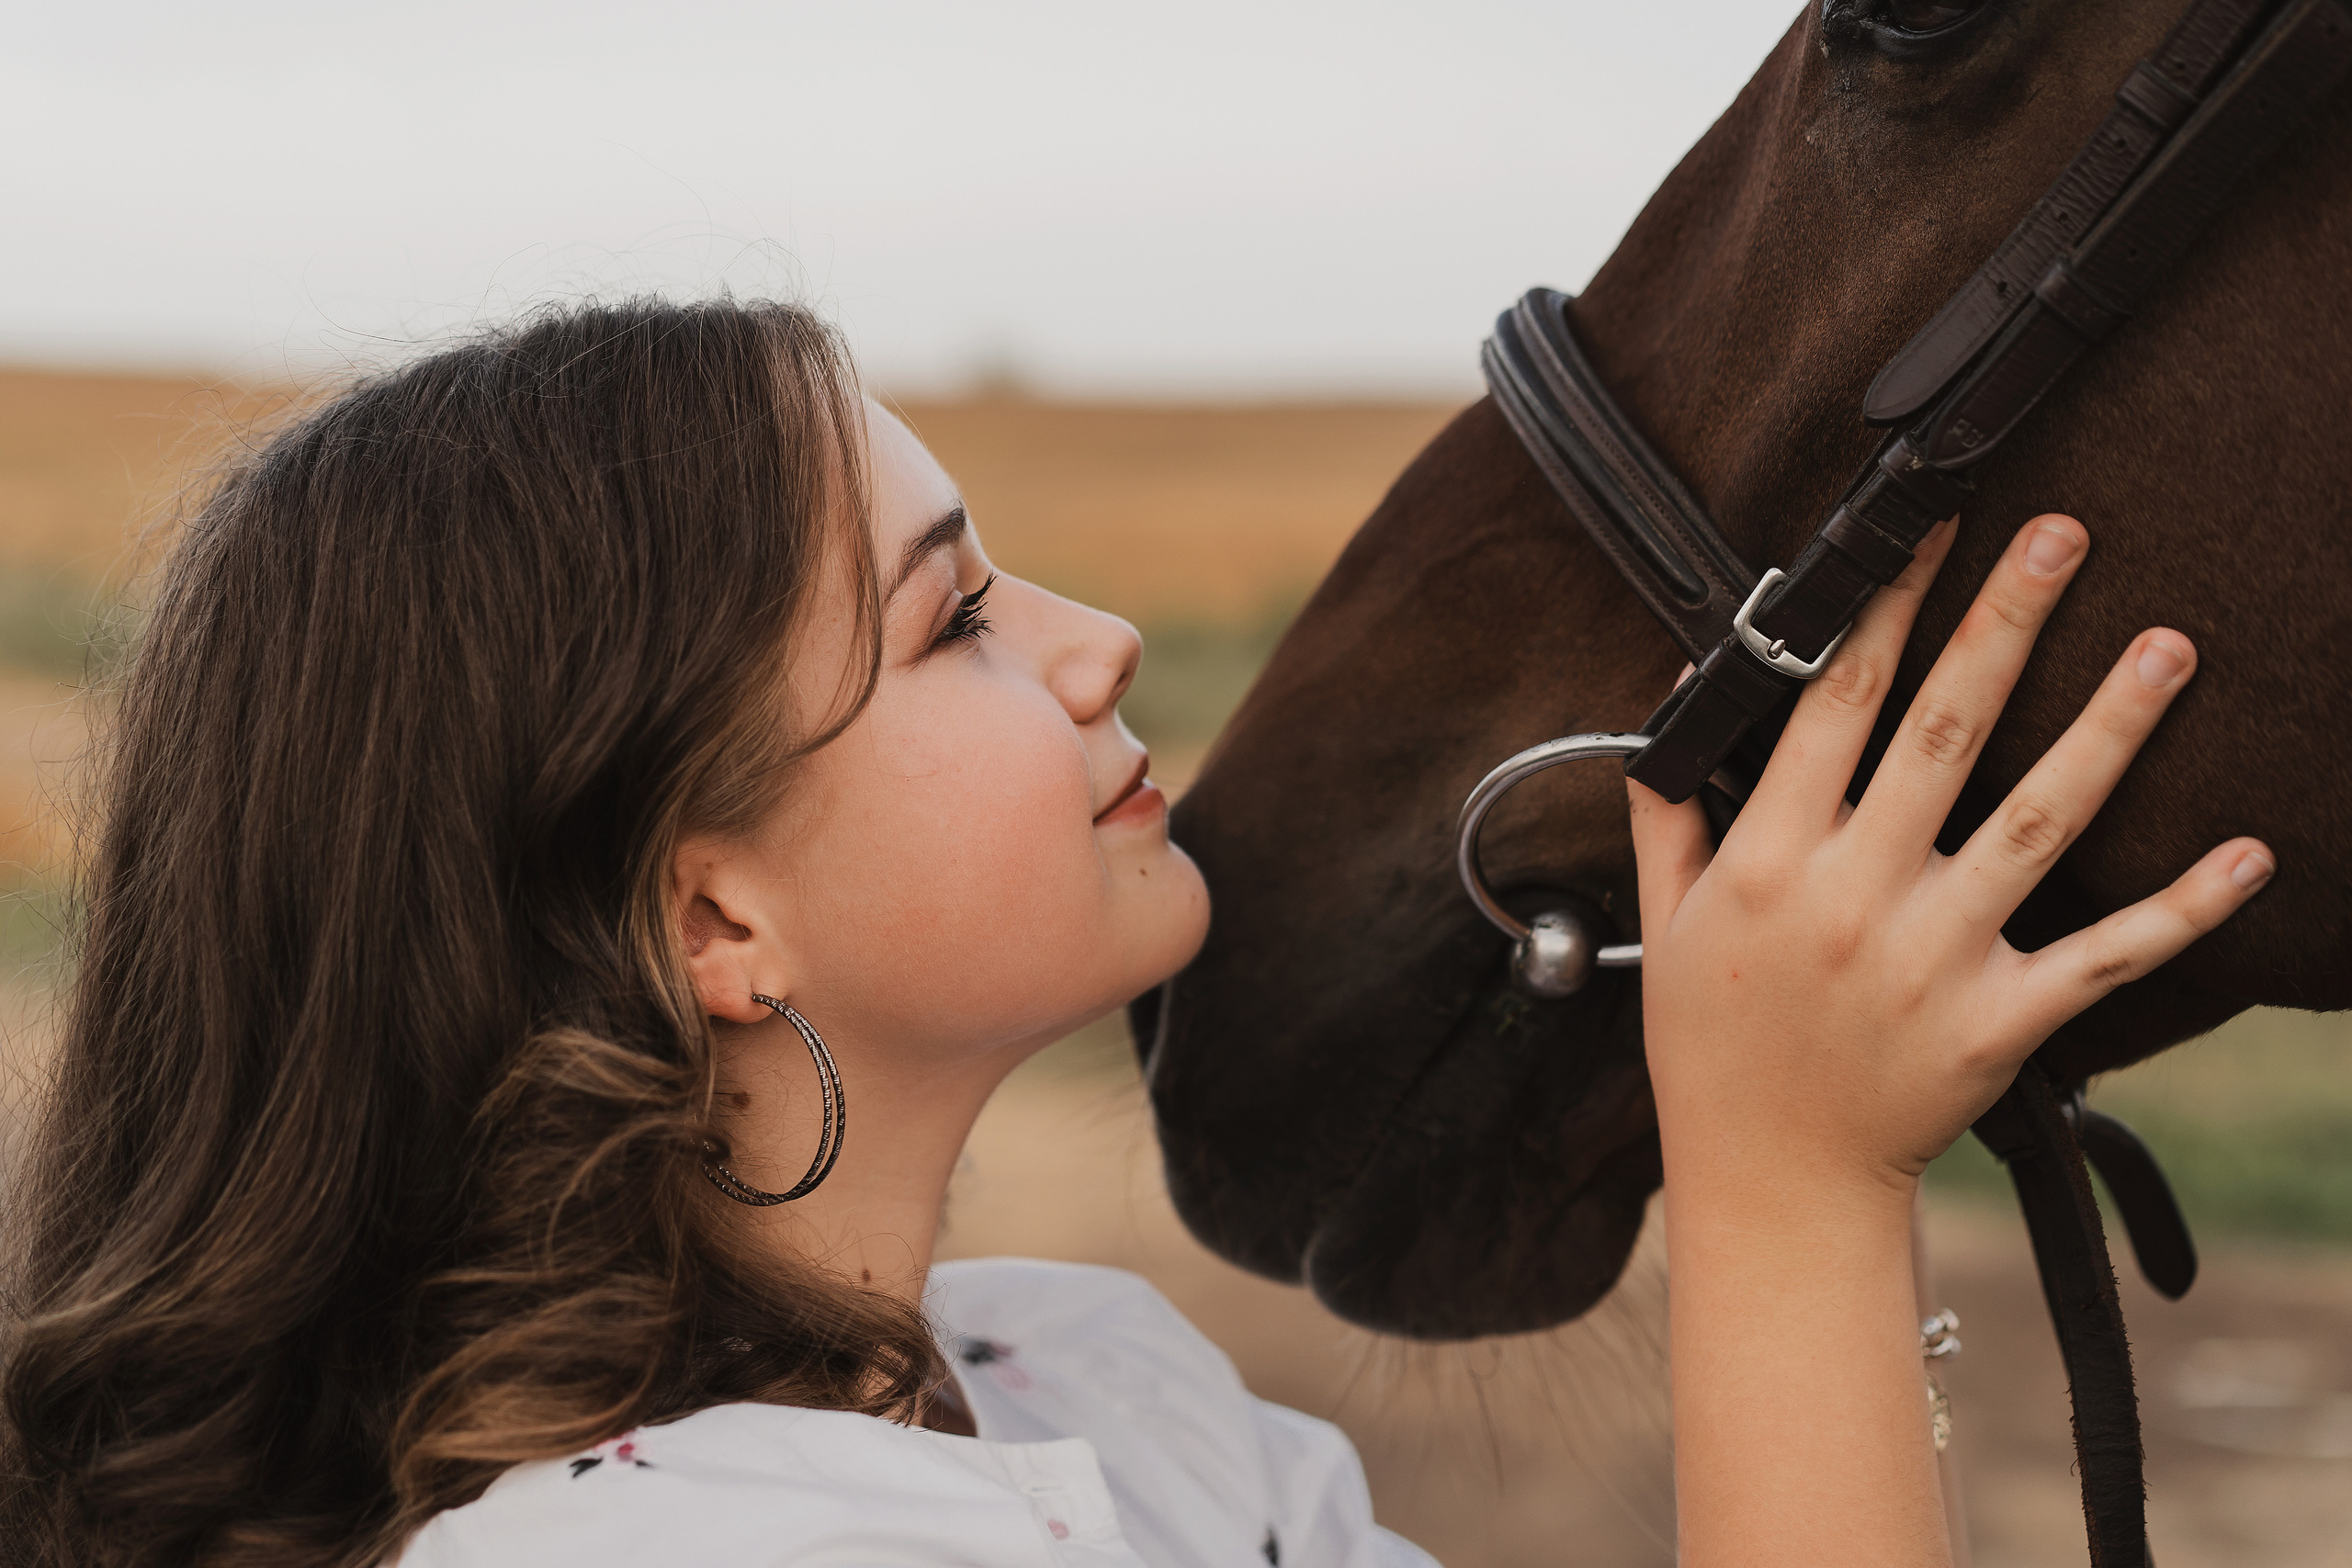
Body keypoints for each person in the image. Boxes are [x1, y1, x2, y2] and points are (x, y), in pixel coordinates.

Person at [0, 299, 2270, 1568]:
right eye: (956, 616)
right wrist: (1788, 1193)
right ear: (711, 911)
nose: (1096, 645)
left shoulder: (1092, 1383)